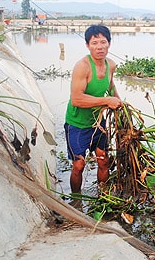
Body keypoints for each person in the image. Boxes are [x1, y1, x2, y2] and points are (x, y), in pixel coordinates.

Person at [64, 25, 122, 196]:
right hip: (77, 123)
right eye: (94, 43)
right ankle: (76, 200)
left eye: (103, 42)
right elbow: (77, 99)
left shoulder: (111, 65)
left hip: (98, 122)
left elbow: (111, 87)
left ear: (109, 44)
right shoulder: (83, 66)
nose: (99, 46)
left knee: (104, 161)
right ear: (87, 45)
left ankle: (103, 196)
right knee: (79, 164)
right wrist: (106, 101)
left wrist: (120, 105)